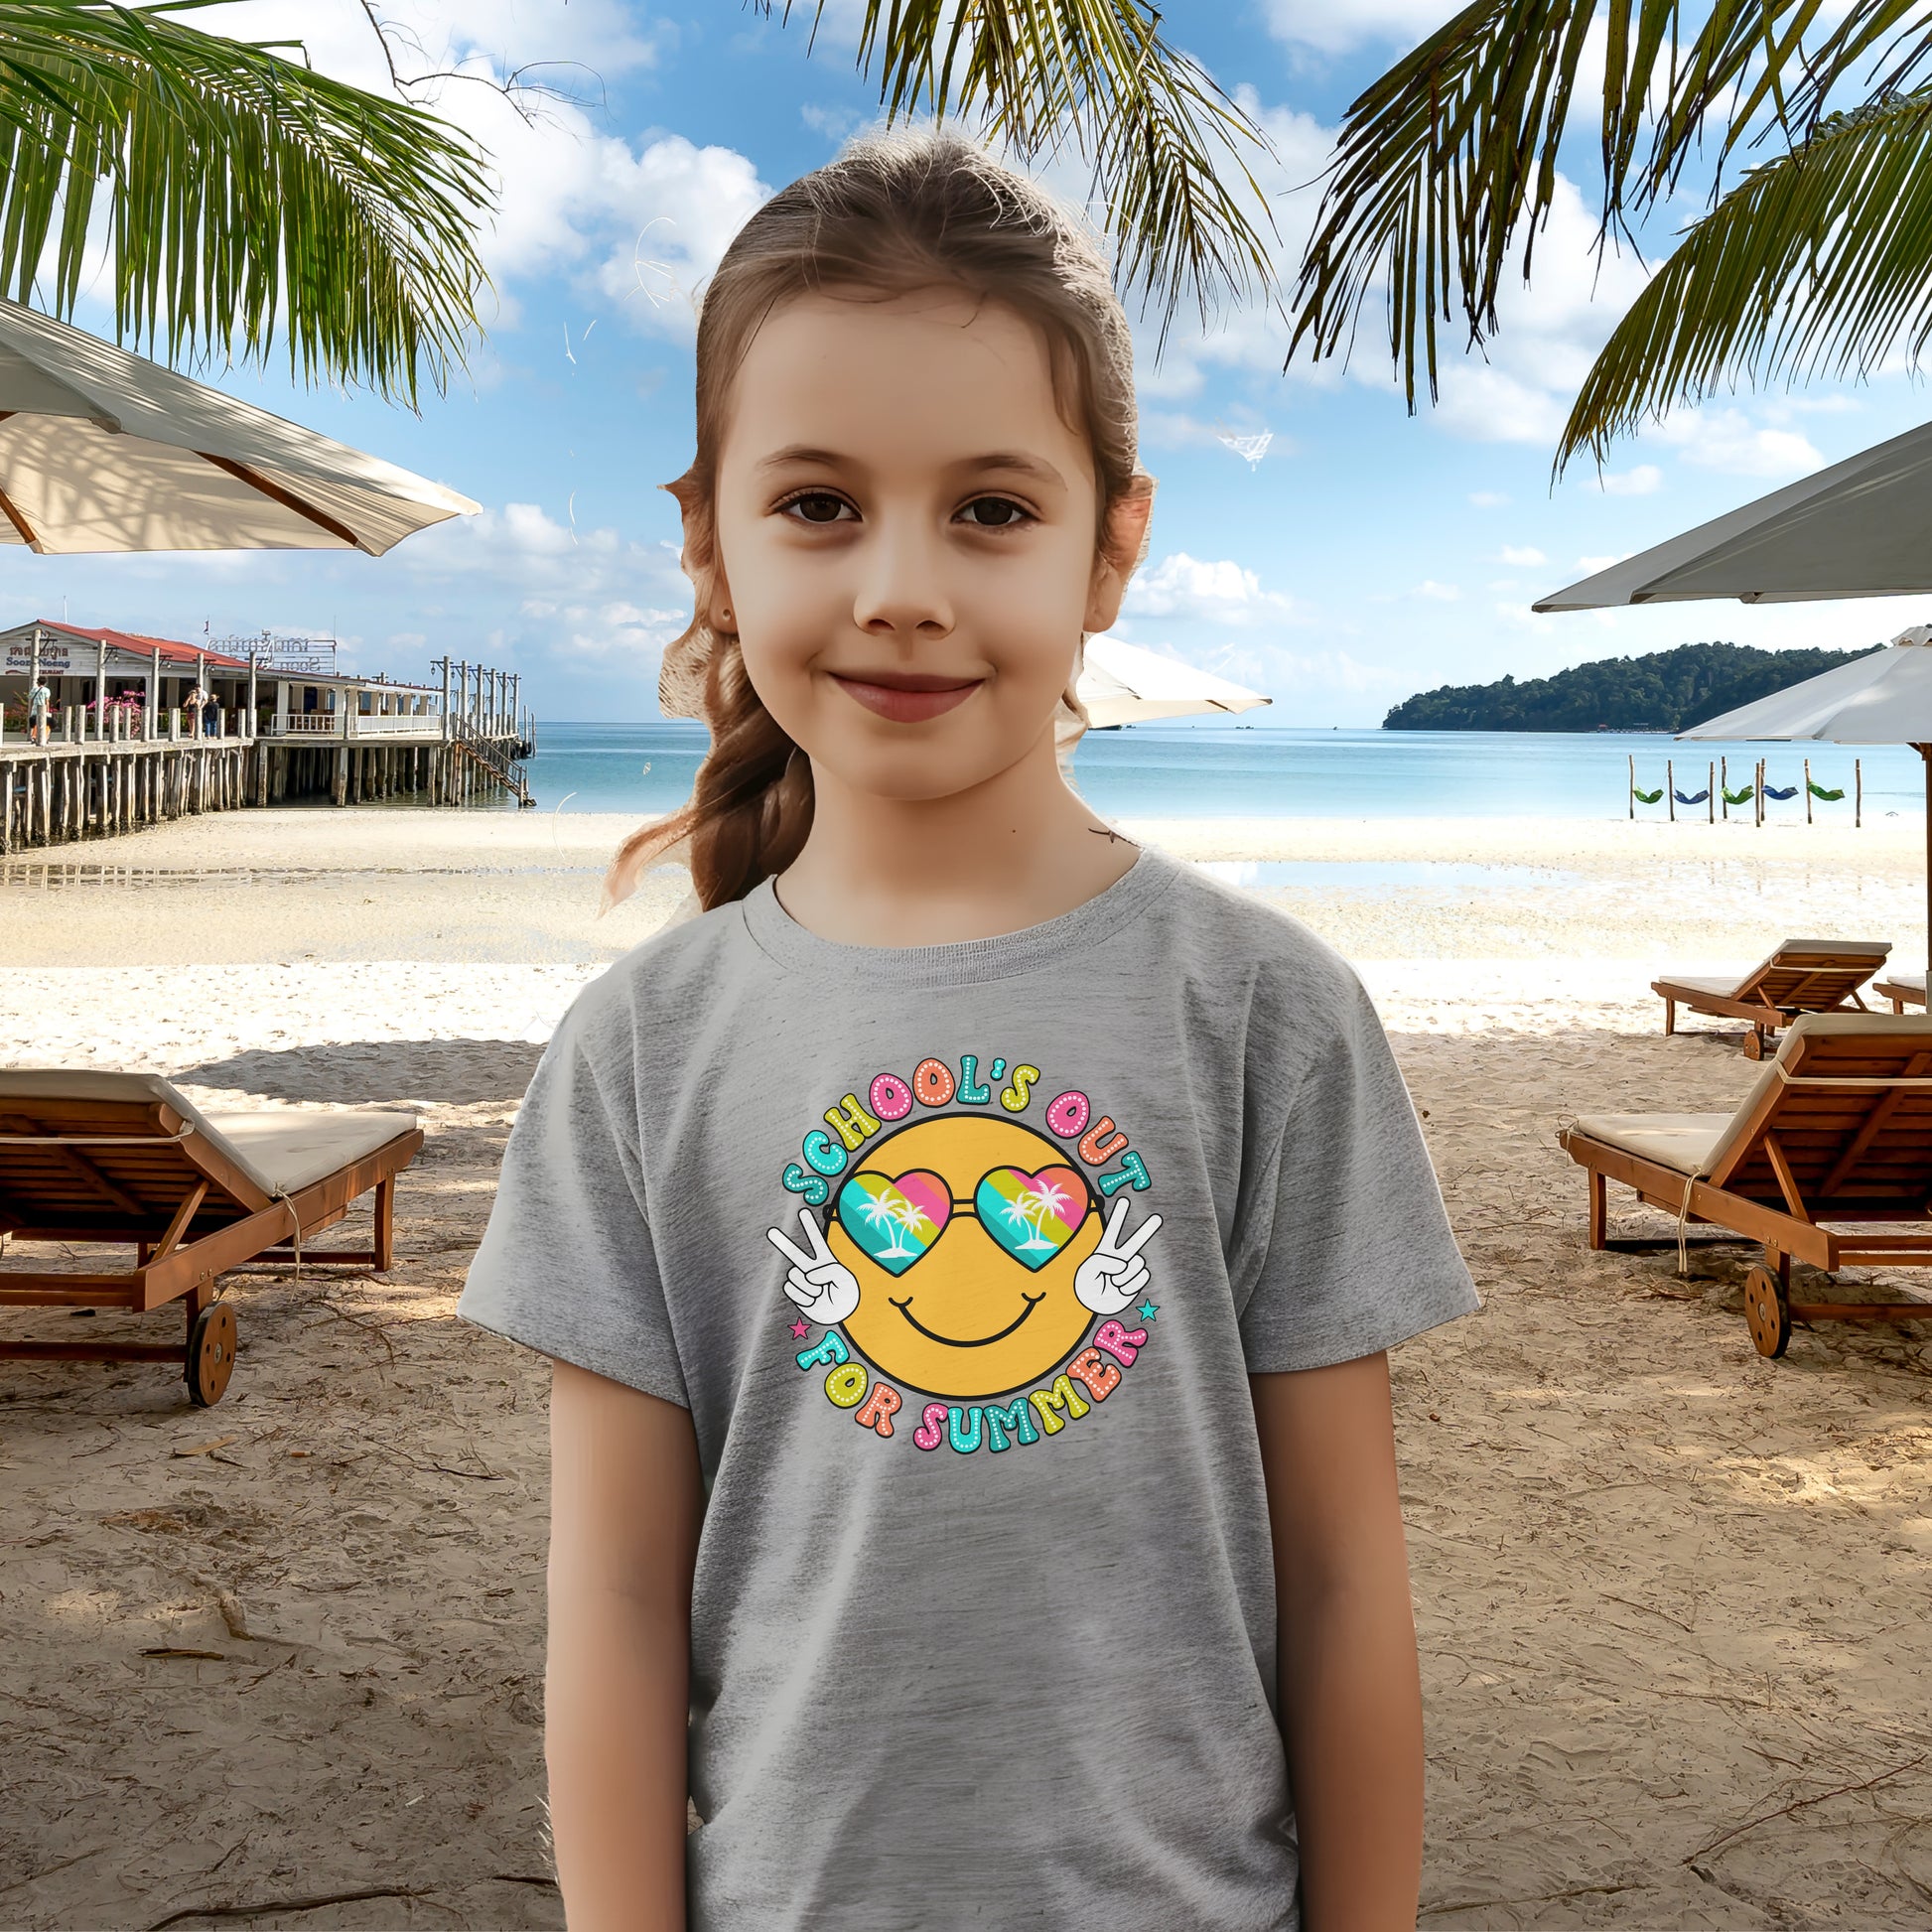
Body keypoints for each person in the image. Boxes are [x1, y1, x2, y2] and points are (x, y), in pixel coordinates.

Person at [457, 128, 1479, 1932]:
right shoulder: (638, 1055)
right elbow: (613, 1602)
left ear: (1112, 547)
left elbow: (1338, 1576)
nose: (904, 584)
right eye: (819, 503)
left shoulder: (1265, 1014)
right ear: (708, 537)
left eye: (992, 508)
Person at [25, 671, 50, 746]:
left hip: (35, 708)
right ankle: (45, 737)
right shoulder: (47, 690)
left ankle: (33, 737)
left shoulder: (34, 689)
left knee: (35, 723)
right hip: (43, 708)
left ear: (37, 682)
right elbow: (47, 701)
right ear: (45, 683)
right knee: (45, 723)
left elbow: (30, 698)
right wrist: (48, 710)